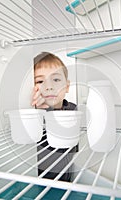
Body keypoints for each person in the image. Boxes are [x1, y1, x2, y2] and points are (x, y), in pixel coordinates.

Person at [31, 52, 78, 182]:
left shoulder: (74, 109)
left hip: (68, 178)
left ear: (67, 86)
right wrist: (41, 111)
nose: (49, 86)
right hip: (41, 182)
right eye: (40, 81)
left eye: (56, 80)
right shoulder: (34, 115)